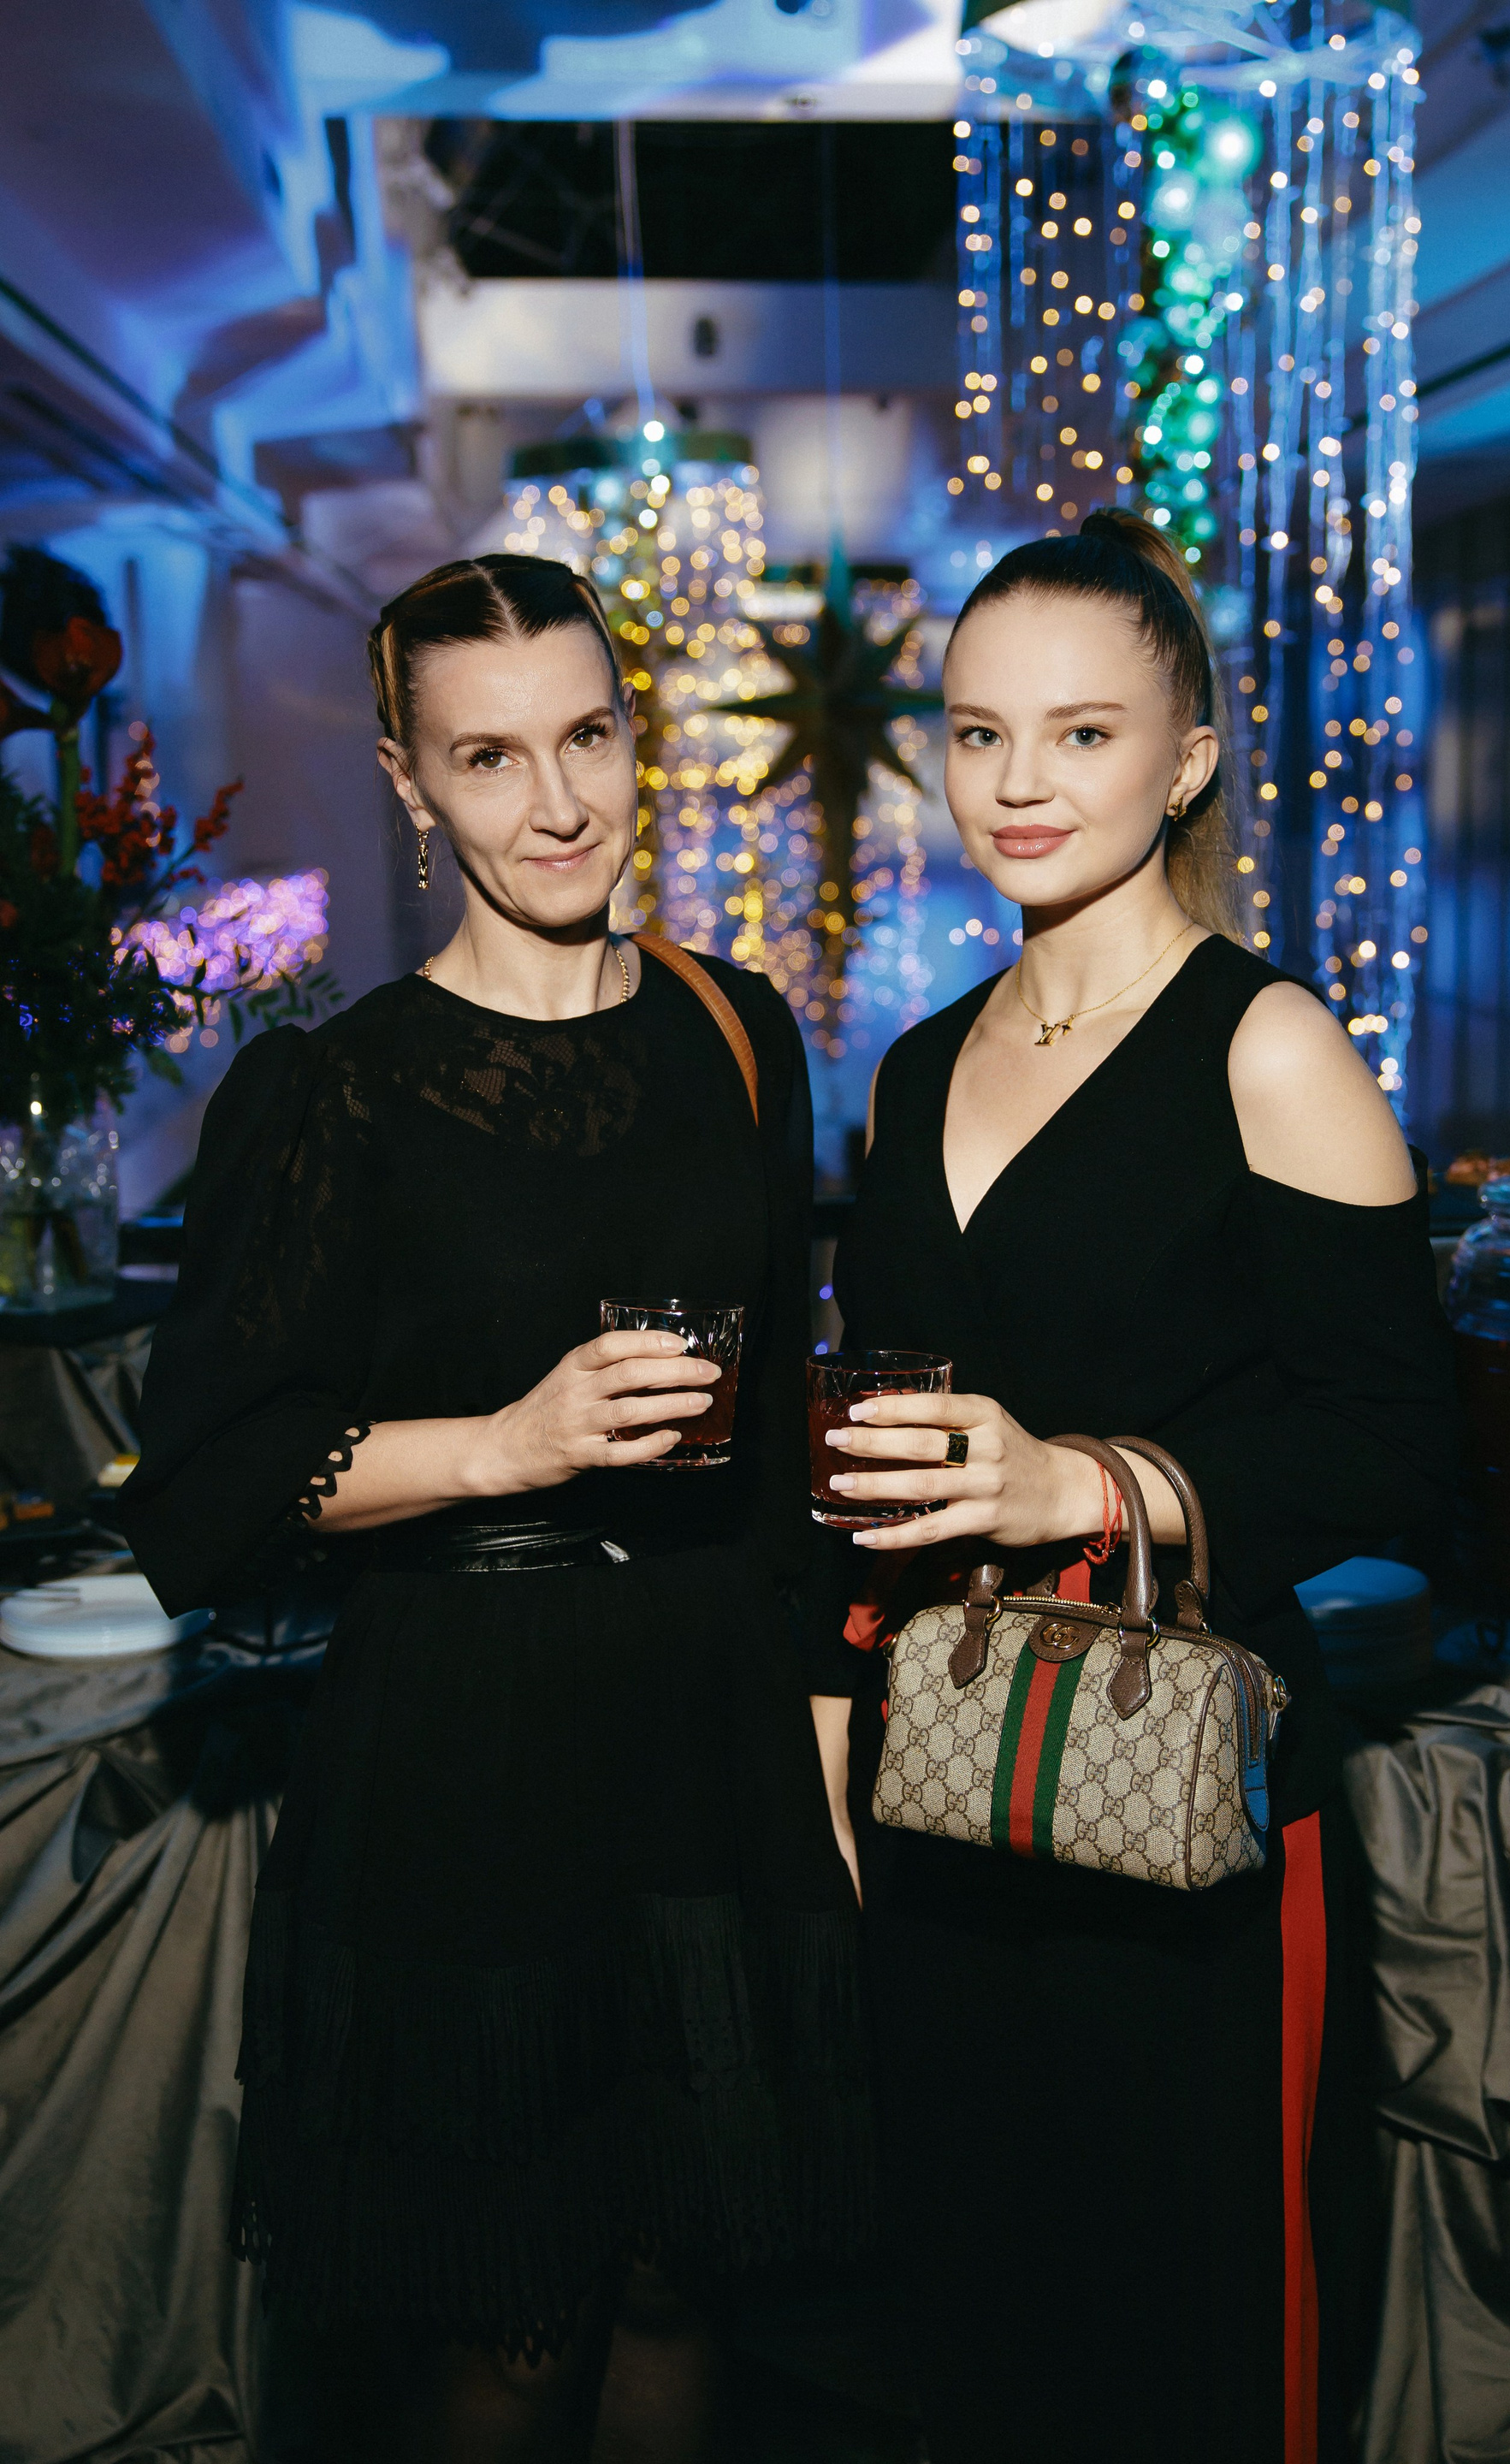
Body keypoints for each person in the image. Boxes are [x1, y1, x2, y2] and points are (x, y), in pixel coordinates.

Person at [121, 554, 869, 2462]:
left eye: (587, 737)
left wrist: (826, 1764)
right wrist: (503, 1445)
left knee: (681, 2275)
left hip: (709, 1737)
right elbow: (208, 1487)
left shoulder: (738, 1031)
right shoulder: (338, 1093)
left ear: (635, 733)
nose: (556, 804)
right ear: (407, 779)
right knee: (514, 2329)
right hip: (468, 1750)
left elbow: (779, 1454)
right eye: (488, 757)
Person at [813, 510, 1456, 2464]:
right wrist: (828, 1751)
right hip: (944, 1788)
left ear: (1187, 761)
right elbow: (872, 1467)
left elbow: (1401, 1446)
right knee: (971, 2331)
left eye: (1082, 734)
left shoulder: (1270, 1046)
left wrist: (1081, 1485)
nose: (1019, 782)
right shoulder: (915, 1069)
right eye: (979, 731)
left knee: (1181, 2341)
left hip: (1179, 1800)